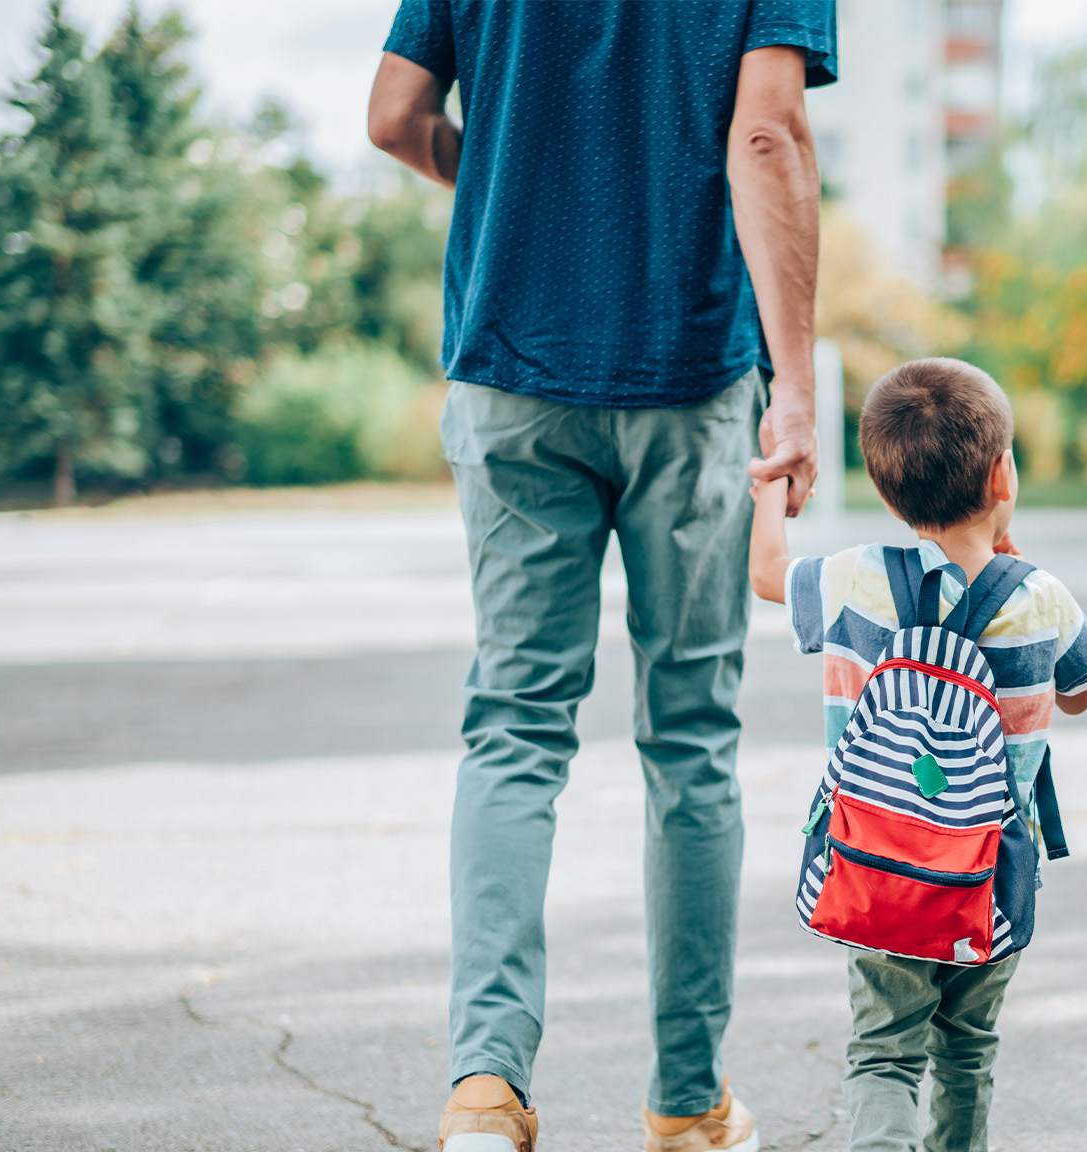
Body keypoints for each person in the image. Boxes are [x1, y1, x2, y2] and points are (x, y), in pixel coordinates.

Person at [365, 5, 836, 1151]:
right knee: (689, 738)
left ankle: (485, 1090)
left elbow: (393, 116)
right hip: (688, 368)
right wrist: (796, 383)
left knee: (515, 727)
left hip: (510, 365)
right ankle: (686, 1104)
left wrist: (517, 183)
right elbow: (765, 136)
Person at [747, 358, 1087, 1152]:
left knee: (883, 1055)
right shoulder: (1041, 597)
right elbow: (1081, 691)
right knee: (967, 1052)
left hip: (876, 868)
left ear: (885, 494)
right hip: (989, 879)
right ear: (1002, 472)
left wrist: (772, 484)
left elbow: (767, 573)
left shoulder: (855, 579)